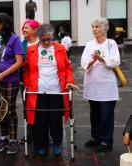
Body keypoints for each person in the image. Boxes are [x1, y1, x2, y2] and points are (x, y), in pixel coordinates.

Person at [23, 23, 76, 156]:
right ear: (38, 38)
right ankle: (41, 144)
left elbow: (67, 67)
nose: (47, 42)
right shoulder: (31, 50)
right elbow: (26, 69)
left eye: (49, 39)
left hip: (56, 90)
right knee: (40, 119)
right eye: (43, 40)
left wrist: (69, 81)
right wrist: (27, 83)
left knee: (55, 119)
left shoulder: (60, 48)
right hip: (38, 90)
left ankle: (57, 144)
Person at [0, 13, 24, 154]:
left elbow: (19, 62)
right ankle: (3, 138)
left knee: (10, 110)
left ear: (2, 24)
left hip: (9, 80)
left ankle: (13, 140)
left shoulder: (14, 39)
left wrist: (1, 75)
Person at [81, 18, 120, 152]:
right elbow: (83, 62)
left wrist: (102, 59)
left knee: (106, 114)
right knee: (95, 114)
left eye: (97, 27)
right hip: (92, 85)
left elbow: (115, 61)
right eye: (93, 27)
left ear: (104, 28)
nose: (94, 29)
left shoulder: (111, 43)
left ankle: (106, 141)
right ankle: (96, 137)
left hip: (107, 86)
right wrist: (92, 60)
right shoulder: (89, 44)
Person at [20, 19, 40, 144]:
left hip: (42, 82)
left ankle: (44, 134)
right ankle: (29, 134)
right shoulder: (22, 44)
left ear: (35, 30)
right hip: (26, 82)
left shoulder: (43, 43)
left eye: (26, 27)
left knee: (42, 108)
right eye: (23, 27)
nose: (23, 30)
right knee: (27, 108)